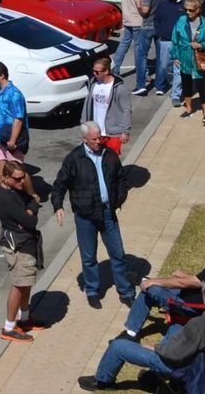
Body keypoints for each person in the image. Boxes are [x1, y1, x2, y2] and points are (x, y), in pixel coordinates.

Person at [80, 280, 205, 391]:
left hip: (183, 369)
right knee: (176, 327)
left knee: (118, 346)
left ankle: (102, 381)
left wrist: (156, 348)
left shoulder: (199, 324)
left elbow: (174, 354)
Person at [123, 234, 205, 358]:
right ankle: (132, 326)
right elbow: (201, 281)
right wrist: (187, 276)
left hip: (193, 306)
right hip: (202, 299)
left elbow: (182, 284)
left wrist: (152, 282)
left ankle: (131, 330)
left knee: (150, 290)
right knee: (151, 288)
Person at [51, 122, 135, 308]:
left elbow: (121, 179)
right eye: (94, 139)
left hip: (107, 213)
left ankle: (125, 291)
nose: (99, 142)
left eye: (100, 138)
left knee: (118, 253)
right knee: (89, 257)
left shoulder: (110, 155)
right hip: (85, 216)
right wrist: (58, 206)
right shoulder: (74, 159)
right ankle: (92, 290)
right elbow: (59, 185)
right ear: (85, 140)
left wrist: (118, 199)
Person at [0, 159, 42, 342]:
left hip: (27, 242)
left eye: (23, 177)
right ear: (6, 178)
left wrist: (30, 209)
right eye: (18, 179)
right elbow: (31, 220)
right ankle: (9, 327)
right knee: (18, 285)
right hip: (18, 246)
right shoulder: (5, 198)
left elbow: (33, 201)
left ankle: (24, 318)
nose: (22, 182)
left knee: (26, 282)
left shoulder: (15, 189)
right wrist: (30, 211)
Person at [174, 0, 205, 127]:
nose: (187, 12)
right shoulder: (181, 21)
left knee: (201, 86)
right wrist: (175, 56)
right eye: (186, 9)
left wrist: (201, 45)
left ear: (198, 10)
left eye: (191, 10)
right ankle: (188, 108)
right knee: (186, 84)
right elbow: (175, 39)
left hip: (200, 59)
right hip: (184, 58)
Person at [0, 62, 29, 191]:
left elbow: (18, 119)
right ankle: (1, 200)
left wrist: (12, 141)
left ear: (2, 76)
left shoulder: (14, 95)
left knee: (17, 171)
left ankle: (30, 196)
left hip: (12, 139)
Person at [113, 0, 151, 90]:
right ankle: (143, 74)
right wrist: (146, 14)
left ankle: (115, 69)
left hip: (127, 18)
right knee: (139, 49)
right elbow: (138, 4)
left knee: (124, 43)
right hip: (137, 20)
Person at [86, 55, 133, 153]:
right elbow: (87, 105)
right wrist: (84, 125)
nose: (94, 74)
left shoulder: (120, 88)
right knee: (96, 158)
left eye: (97, 72)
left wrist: (125, 131)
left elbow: (126, 110)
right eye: (93, 71)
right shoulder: (93, 83)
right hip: (96, 132)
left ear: (106, 71)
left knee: (111, 161)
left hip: (113, 133)